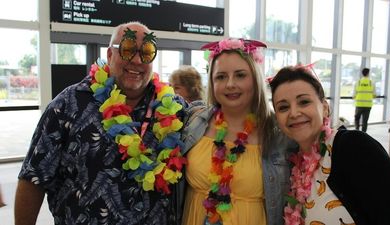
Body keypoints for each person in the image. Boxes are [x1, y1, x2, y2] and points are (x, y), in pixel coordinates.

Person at [14, 21, 187, 225]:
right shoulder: (68, 105)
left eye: (147, 52)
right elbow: (33, 179)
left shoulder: (175, 110)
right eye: (127, 50)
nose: (137, 60)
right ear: (110, 55)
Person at [179, 38, 292, 225]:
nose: (230, 84)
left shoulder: (278, 133)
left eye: (240, 75)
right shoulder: (192, 121)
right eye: (221, 77)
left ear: (255, 79)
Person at [269, 65, 390, 225]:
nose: (294, 113)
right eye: (283, 107)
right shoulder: (293, 165)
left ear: (324, 108)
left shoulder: (352, 146)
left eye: (303, 102)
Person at [353, 67, 376, 132]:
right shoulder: (371, 83)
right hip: (368, 105)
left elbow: (354, 94)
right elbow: (374, 95)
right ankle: (363, 133)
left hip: (359, 104)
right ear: (368, 73)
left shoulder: (358, 82)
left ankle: (357, 130)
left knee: (357, 118)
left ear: (362, 73)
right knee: (365, 121)